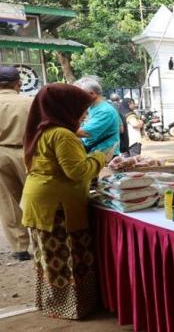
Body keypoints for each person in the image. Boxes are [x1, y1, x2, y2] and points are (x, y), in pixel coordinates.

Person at [21, 83, 114, 319]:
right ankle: (71, 307)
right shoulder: (62, 135)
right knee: (67, 257)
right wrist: (102, 157)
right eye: (82, 108)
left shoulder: (44, 128)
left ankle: (53, 303)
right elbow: (78, 171)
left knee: (49, 258)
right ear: (65, 108)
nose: (85, 114)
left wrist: (74, 134)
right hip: (58, 206)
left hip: (42, 200)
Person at [0, 66, 32, 261]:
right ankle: (42, 240)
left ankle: (20, 248)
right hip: (28, 153)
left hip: (0, 153)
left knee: (8, 202)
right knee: (36, 198)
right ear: (17, 83)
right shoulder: (29, 102)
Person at [74, 77, 120, 155]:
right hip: (94, 154)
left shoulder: (105, 111)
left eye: (79, 94)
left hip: (105, 157)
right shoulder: (91, 108)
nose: (76, 97)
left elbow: (84, 133)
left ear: (91, 94)